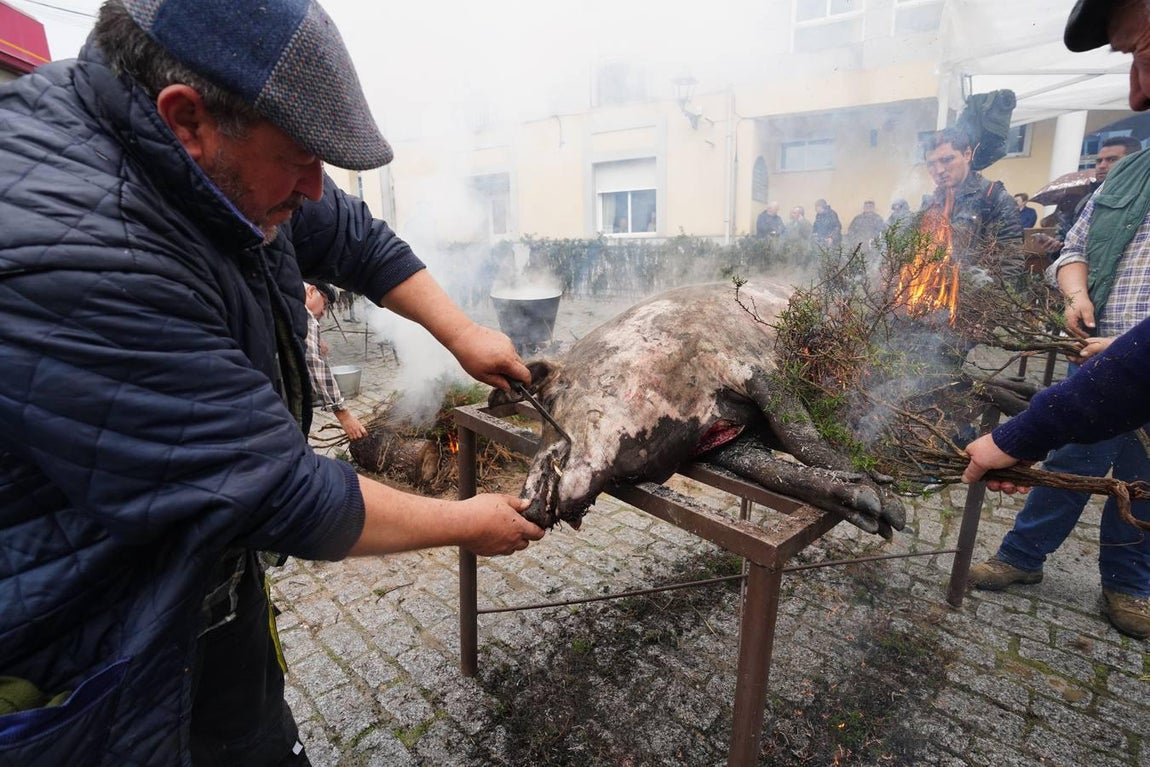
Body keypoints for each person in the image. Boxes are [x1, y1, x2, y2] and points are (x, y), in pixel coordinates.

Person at [0, 1, 546, 764]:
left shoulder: (197, 155)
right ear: (187, 117)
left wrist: (460, 332)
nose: (316, 188)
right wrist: (467, 522)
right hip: (93, 649)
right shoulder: (80, 252)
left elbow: (350, 234)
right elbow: (279, 494)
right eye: (300, 159)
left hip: (204, 582)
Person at [964, 0, 1150, 640]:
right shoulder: (1130, 175)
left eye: (1142, 51)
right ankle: (1022, 558)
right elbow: (1073, 246)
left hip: (1131, 365)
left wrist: (1127, 350)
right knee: (1073, 454)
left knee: (1141, 482)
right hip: (1096, 363)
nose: (1136, 90)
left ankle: (1130, 586)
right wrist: (1074, 292)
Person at [920, 128, 1023, 274]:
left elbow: (1010, 267)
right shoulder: (929, 204)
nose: (939, 170)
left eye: (947, 159)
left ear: (967, 154)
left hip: (978, 294)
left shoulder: (995, 199)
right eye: (931, 164)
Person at [1031, 135, 1143, 256]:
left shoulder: (1143, 199)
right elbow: (1072, 244)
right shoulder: (1086, 202)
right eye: (1099, 161)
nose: (1102, 165)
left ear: (1134, 162)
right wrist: (1057, 247)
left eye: (1111, 159)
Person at [304, 281, 368, 441]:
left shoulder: (283, 296)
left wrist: (316, 338)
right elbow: (313, 361)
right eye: (324, 305)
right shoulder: (303, 314)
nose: (323, 313)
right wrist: (342, 413)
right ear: (311, 291)